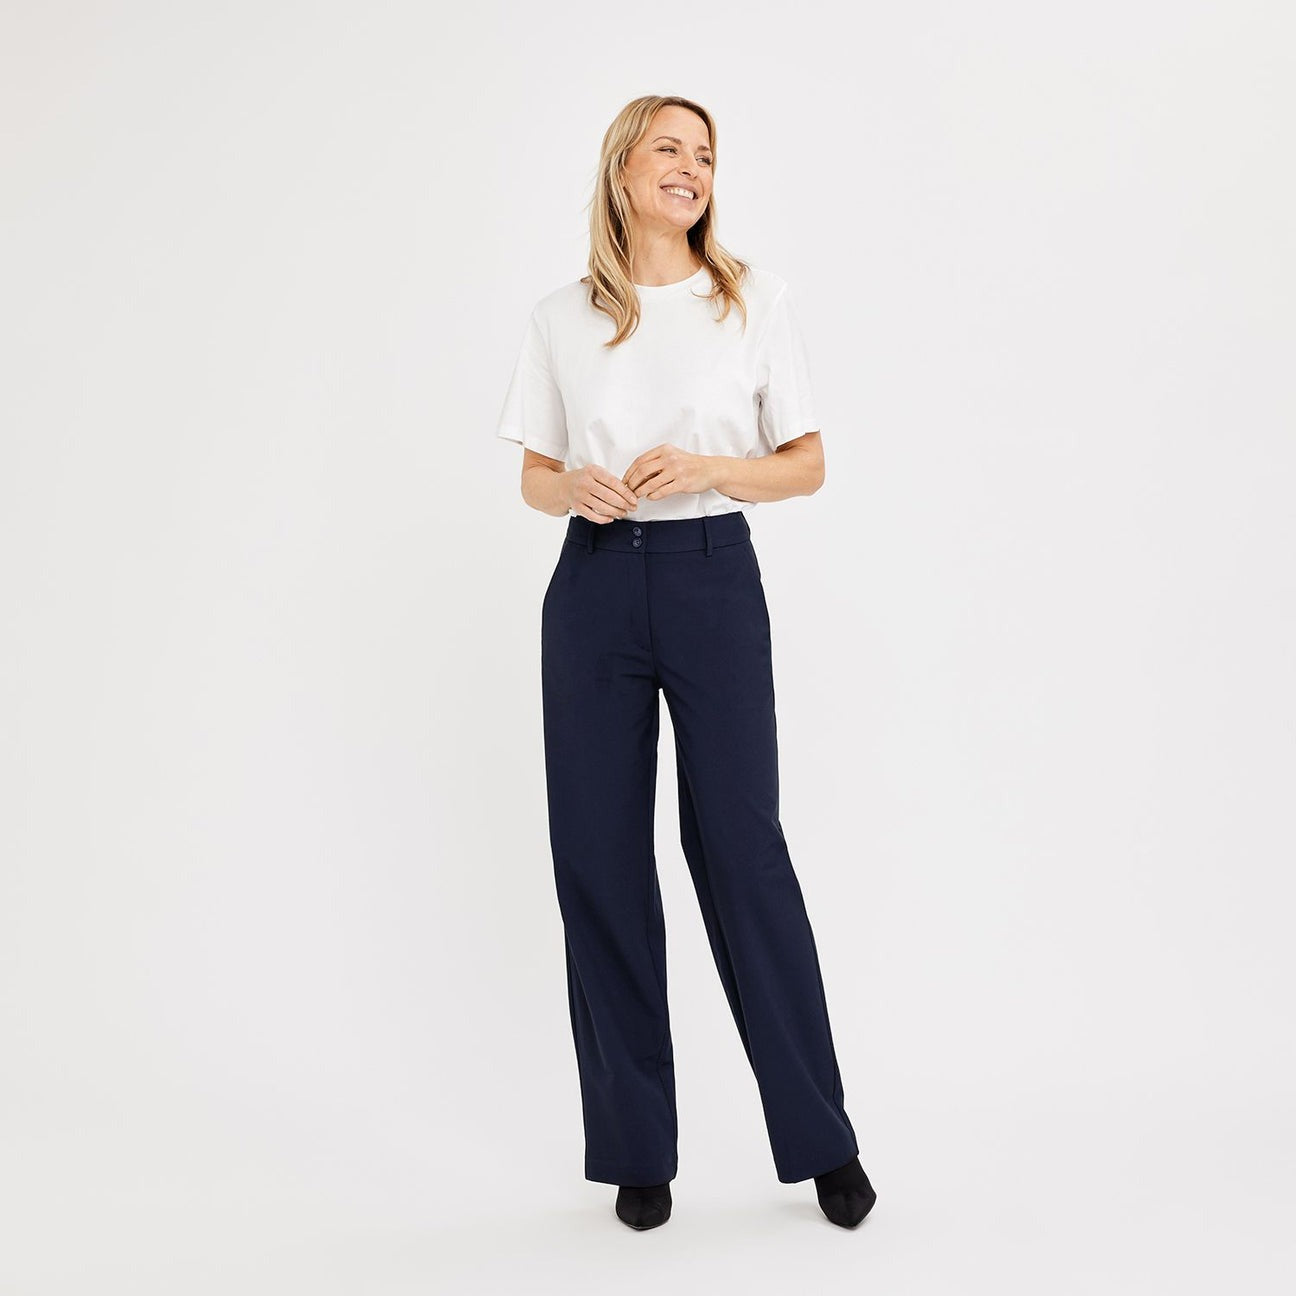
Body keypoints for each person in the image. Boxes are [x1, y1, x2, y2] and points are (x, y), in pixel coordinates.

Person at [495, 94, 877, 1232]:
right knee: (598, 858)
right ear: (622, 170)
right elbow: (534, 477)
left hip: (711, 575)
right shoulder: (562, 317)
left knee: (742, 853)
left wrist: (709, 468)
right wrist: (575, 488)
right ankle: (635, 1152)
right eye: (669, 148)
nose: (691, 167)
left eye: (704, 154)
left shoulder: (749, 301)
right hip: (594, 586)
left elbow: (806, 465)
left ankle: (823, 1140)